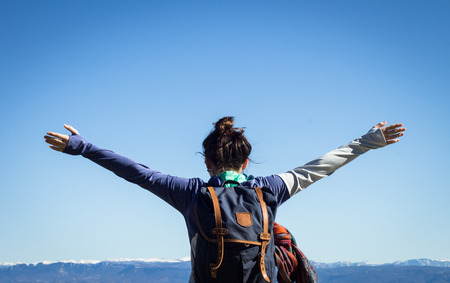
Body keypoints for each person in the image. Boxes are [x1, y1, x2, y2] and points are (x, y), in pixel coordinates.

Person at [44, 117, 405, 282]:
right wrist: (369, 141)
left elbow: (136, 171)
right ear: (246, 161)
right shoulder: (269, 189)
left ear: (207, 161)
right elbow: (321, 167)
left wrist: (82, 147)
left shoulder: (190, 193)